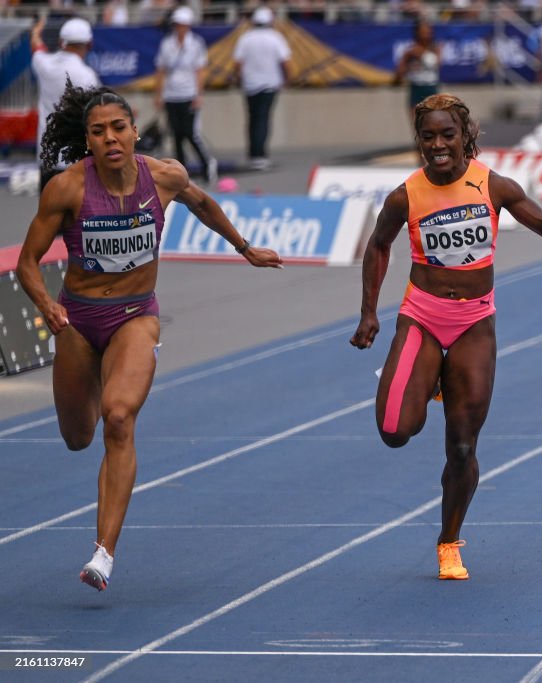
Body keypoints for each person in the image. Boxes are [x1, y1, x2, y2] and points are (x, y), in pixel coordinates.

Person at [15, 84, 282, 592]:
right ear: (88, 141)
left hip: (136, 315)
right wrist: (46, 305)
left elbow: (203, 204)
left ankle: (103, 553)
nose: (111, 138)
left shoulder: (164, 176)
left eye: (119, 127)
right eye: (99, 131)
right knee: (78, 438)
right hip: (77, 320)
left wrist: (245, 248)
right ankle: (93, 379)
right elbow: (29, 260)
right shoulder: (67, 188)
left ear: (136, 130)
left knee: (119, 418)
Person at [349, 93, 542, 580]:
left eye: (447, 135)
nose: (438, 144)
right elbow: (378, 246)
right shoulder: (406, 195)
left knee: (461, 447)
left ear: (466, 137)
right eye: (428, 136)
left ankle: (448, 542)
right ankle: (430, 377)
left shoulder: (492, 186)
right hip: (421, 316)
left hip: (474, 325)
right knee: (396, 431)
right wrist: (369, 313)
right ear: (418, 141)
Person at [30, 17, 101, 192]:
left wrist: (36, 31)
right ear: (89, 44)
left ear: (62, 42)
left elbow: (37, 46)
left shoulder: (43, 64)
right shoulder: (87, 76)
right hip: (75, 160)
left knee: (48, 216)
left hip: (47, 157)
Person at [153, 5, 217, 182]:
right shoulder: (167, 44)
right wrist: (159, 96)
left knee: (190, 132)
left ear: (188, 25)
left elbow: (199, 71)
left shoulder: (196, 44)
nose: (179, 28)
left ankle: (207, 164)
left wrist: (199, 95)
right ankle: (182, 172)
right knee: (177, 135)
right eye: (176, 24)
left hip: (189, 94)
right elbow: (161, 70)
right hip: (171, 95)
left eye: (182, 24)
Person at [232, 6, 293, 171]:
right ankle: (260, 155)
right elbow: (286, 62)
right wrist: (288, 78)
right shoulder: (275, 38)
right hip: (269, 84)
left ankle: (253, 153)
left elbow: (238, 63)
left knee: (252, 119)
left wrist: (238, 79)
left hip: (250, 84)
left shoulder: (246, 38)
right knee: (263, 119)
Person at [393, 19, 441, 124]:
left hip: (431, 88)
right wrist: (405, 67)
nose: (427, 33)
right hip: (416, 89)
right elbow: (399, 74)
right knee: (417, 125)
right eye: (423, 31)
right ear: (417, 32)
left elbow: (435, 63)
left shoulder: (435, 48)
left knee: (433, 123)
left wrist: (419, 53)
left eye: (428, 30)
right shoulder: (409, 52)